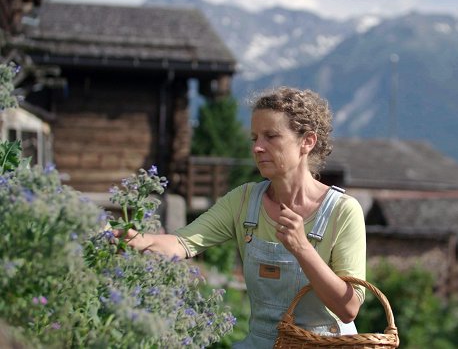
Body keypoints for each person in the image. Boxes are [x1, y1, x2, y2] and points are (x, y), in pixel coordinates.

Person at [115, 86, 367, 348]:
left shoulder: (342, 211)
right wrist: (139, 241)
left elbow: (349, 307)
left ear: (307, 141)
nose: (258, 147)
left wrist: (302, 248)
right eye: (254, 138)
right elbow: (182, 243)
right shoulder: (244, 201)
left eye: (271, 136)